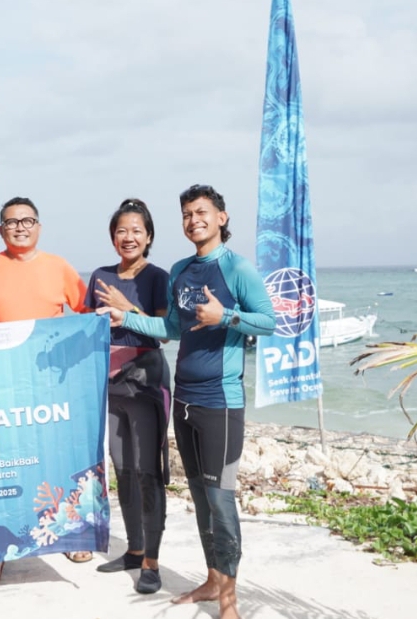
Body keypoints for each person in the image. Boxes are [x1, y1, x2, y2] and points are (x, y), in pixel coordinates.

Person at [98, 185, 275, 619]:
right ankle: (213, 580)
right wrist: (127, 318)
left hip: (223, 403)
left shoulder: (237, 268)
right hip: (186, 400)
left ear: (222, 218)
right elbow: (172, 329)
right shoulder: (180, 270)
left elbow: (270, 321)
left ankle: (230, 601)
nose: (194, 220)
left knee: (221, 499)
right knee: (198, 497)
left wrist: (227, 317)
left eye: (202, 212)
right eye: (187, 214)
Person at [0, 196, 90, 585]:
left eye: (27, 220)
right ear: (0, 231)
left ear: (39, 226)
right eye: (11, 222)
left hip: (51, 386)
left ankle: (68, 533)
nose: (19, 227)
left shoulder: (60, 268)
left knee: (58, 459)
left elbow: (86, 318)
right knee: (0, 465)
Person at [85, 198, 171, 594]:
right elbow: (89, 327)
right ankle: (134, 549)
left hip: (146, 381)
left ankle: (152, 562)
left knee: (148, 471)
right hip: (111, 383)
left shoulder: (158, 276)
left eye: (137, 230)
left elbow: (166, 331)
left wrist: (127, 307)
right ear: (112, 236)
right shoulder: (100, 275)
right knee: (123, 470)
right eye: (122, 230)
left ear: (149, 236)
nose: (129, 237)